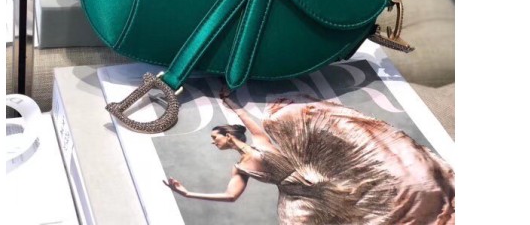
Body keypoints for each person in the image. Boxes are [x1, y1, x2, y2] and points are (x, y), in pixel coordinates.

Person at [164, 88, 455, 224]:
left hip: (318, 178)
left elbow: (245, 118)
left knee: (376, 202)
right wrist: (187, 194)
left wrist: (229, 101)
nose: (213, 142)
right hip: (298, 197)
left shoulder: (260, 139)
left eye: (215, 137)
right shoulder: (239, 168)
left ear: (229, 136)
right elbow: (230, 197)